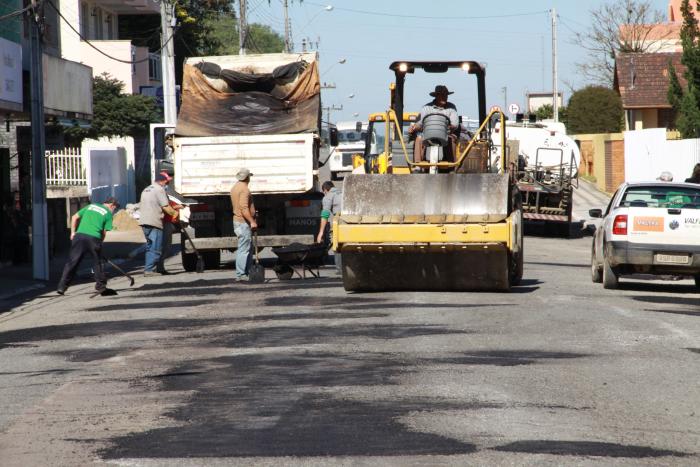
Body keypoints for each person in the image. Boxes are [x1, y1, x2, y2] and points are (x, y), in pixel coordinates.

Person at [57, 197, 119, 296]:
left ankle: (62, 287)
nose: (114, 210)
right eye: (115, 208)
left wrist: (72, 233)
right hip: (94, 238)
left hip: (79, 236)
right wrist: (99, 243)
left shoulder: (91, 206)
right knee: (97, 262)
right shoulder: (108, 214)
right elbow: (104, 232)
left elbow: (74, 217)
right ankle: (101, 287)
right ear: (112, 205)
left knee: (72, 262)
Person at [139, 172, 179, 276]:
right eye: (167, 181)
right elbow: (165, 206)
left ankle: (156, 268)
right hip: (154, 221)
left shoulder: (146, 189)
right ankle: (149, 270)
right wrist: (175, 213)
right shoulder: (159, 189)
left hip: (144, 221)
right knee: (155, 247)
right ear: (163, 181)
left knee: (149, 246)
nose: (168, 183)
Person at [408, 85, 459, 164]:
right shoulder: (426, 108)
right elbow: (420, 123)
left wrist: (450, 127)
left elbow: (455, 124)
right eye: (442, 95)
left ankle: (451, 165)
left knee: (451, 140)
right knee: (418, 139)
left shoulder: (451, 108)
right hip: (428, 134)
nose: (444, 97)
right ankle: (418, 165)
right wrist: (414, 127)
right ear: (436, 96)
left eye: (446, 95)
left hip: (446, 134)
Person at [230, 168, 257, 281]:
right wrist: (252, 221)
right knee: (244, 248)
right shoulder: (244, 189)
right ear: (247, 177)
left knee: (246, 247)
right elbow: (243, 208)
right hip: (243, 222)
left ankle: (245, 272)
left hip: (238, 221)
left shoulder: (235, 187)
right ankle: (241, 274)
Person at [316, 181, 342, 273]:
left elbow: (325, 214)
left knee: (337, 243)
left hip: (341, 221)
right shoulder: (343, 192)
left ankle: (340, 270)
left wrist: (321, 233)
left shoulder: (328, 196)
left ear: (326, 190)